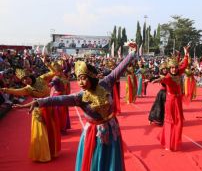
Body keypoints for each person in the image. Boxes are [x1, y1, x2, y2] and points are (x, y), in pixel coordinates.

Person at [15, 42, 137, 170]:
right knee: (95, 161)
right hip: (94, 133)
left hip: (112, 127)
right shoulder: (80, 97)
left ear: (91, 77)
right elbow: (61, 99)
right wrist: (38, 102)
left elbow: (120, 67)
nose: (80, 82)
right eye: (78, 79)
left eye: (83, 78)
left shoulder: (106, 83)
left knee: (112, 160)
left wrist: (132, 52)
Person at [0, 61, 60, 162]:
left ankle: (51, 151)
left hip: (50, 108)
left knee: (51, 130)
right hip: (38, 111)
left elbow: (55, 73)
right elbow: (16, 91)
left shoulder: (42, 78)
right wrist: (4, 89)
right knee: (40, 133)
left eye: (26, 78)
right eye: (23, 80)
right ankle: (42, 155)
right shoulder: (28, 89)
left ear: (29, 76)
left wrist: (47, 63)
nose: (25, 81)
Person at [152, 45, 190, 151]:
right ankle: (168, 143)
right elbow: (163, 79)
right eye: (172, 68)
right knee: (170, 122)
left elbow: (185, 64)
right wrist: (157, 80)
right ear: (169, 68)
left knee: (179, 122)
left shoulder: (179, 72)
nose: (174, 69)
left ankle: (175, 141)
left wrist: (186, 53)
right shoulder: (168, 77)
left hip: (178, 102)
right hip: (170, 102)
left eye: (175, 67)